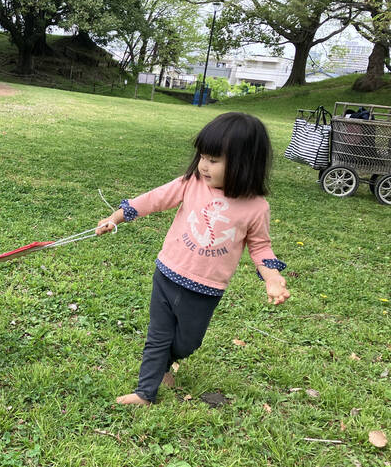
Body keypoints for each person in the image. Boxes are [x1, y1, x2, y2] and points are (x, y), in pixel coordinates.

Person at [95, 112, 290, 406]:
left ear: (244, 162)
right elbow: (153, 199)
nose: (203, 165)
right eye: (202, 156)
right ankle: (144, 392)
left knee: (188, 342)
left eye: (214, 160)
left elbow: (260, 247)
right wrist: (116, 217)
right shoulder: (191, 183)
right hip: (167, 273)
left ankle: (164, 363)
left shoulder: (255, 207)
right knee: (158, 336)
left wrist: (272, 277)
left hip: (206, 288)